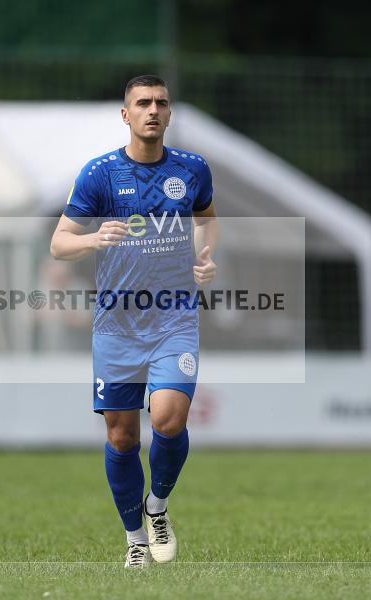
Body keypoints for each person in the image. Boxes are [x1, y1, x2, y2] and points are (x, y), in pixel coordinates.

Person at [50, 75, 218, 568]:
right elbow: (59, 243)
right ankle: (135, 541)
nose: (152, 110)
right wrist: (93, 240)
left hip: (174, 316)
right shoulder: (99, 174)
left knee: (169, 416)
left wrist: (205, 256)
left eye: (161, 103)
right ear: (126, 115)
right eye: (142, 103)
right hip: (117, 326)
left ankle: (158, 508)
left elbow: (207, 217)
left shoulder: (192, 169)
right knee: (122, 437)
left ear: (169, 114)